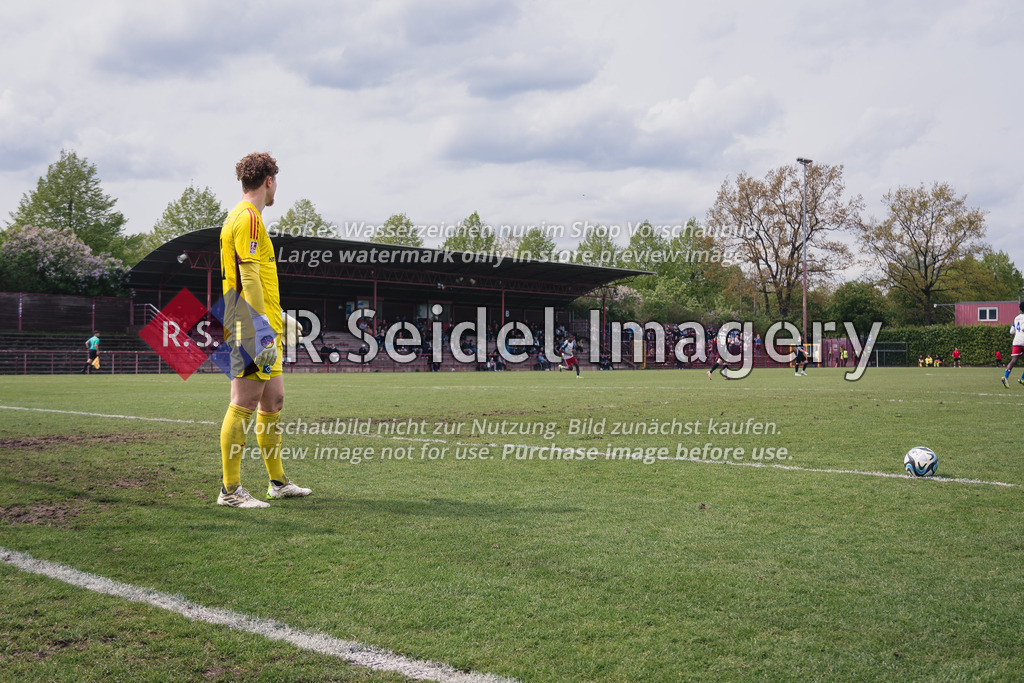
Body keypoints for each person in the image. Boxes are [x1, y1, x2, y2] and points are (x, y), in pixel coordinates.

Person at [217, 152, 311, 508]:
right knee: (243, 403)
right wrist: (261, 326)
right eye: (277, 182)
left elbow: (258, 280)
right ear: (269, 180)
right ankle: (230, 491)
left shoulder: (243, 218)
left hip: (258, 321)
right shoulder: (248, 218)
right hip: (249, 325)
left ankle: (278, 482)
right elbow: (250, 276)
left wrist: (277, 316)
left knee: (273, 401)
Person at [1001, 301, 1024, 388]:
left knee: (1013, 360)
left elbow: (1011, 331)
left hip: (1016, 341)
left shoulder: (1016, 318)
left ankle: (1005, 377)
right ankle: (1022, 379)